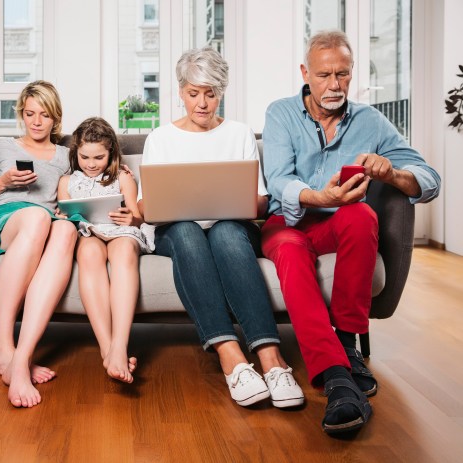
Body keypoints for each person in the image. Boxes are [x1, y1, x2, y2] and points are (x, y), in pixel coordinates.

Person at [261, 30, 441, 434]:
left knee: (362, 215)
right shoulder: (280, 114)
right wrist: (320, 196)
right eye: (325, 75)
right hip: (287, 223)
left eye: (343, 74)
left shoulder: (371, 121)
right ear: (306, 73)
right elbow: (278, 180)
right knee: (290, 251)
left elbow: (429, 179)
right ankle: (335, 376)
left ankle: (347, 342)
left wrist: (391, 172)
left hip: (338, 222)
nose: (334, 84)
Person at [137, 47, 305, 409]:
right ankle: (232, 356)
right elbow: (144, 208)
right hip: (177, 231)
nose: (202, 103)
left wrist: (237, 199)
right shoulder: (160, 139)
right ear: (181, 92)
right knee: (187, 231)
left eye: (210, 93)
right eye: (194, 93)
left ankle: (271, 359)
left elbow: (260, 202)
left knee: (228, 231)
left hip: (229, 225)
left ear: (221, 93)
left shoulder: (240, 134)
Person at [0, 80, 78, 408]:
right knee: (37, 218)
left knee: (67, 231)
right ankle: (1, 346)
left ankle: (20, 357)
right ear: (22, 114)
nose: (37, 121)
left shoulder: (67, 156)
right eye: (30, 113)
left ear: (56, 119)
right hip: (7, 218)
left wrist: (65, 207)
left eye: (45, 115)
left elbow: (86, 186)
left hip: (46, 221)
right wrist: (2, 182)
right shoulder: (0, 147)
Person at [57, 117, 153, 383]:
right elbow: (66, 214)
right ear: (75, 153)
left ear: (111, 151)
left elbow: (137, 216)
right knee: (88, 254)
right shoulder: (67, 181)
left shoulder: (122, 176)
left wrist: (129, 219)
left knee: (123, 252)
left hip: (120, 231)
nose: (90, 164)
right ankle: (107, 348)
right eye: (84, 157)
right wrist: (64, 217)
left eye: (98, 157)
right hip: (87, 231)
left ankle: (120, 345)